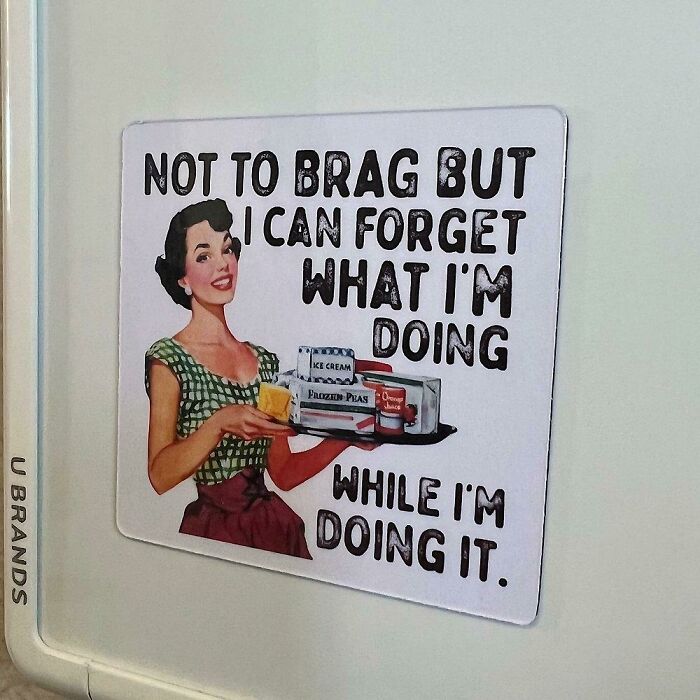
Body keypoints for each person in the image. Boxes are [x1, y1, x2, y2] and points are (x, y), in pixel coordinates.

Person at [146, 198, 365, 559]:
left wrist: (349, 437)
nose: (223, 263)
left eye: (227, 249)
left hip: (272, 529)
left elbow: (284, 472)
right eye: (203, 256)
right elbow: (159, 475)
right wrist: (219, 424)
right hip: (213, 532)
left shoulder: (264, 362)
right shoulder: (168, 359)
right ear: (182, 276)